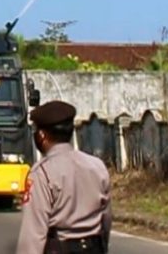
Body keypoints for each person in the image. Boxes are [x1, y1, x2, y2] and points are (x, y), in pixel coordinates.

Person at [16, 100, 112, 254]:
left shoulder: (42, 174)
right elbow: (106, 219)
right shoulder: (97, 166)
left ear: (41, 135)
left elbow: (33, 233)